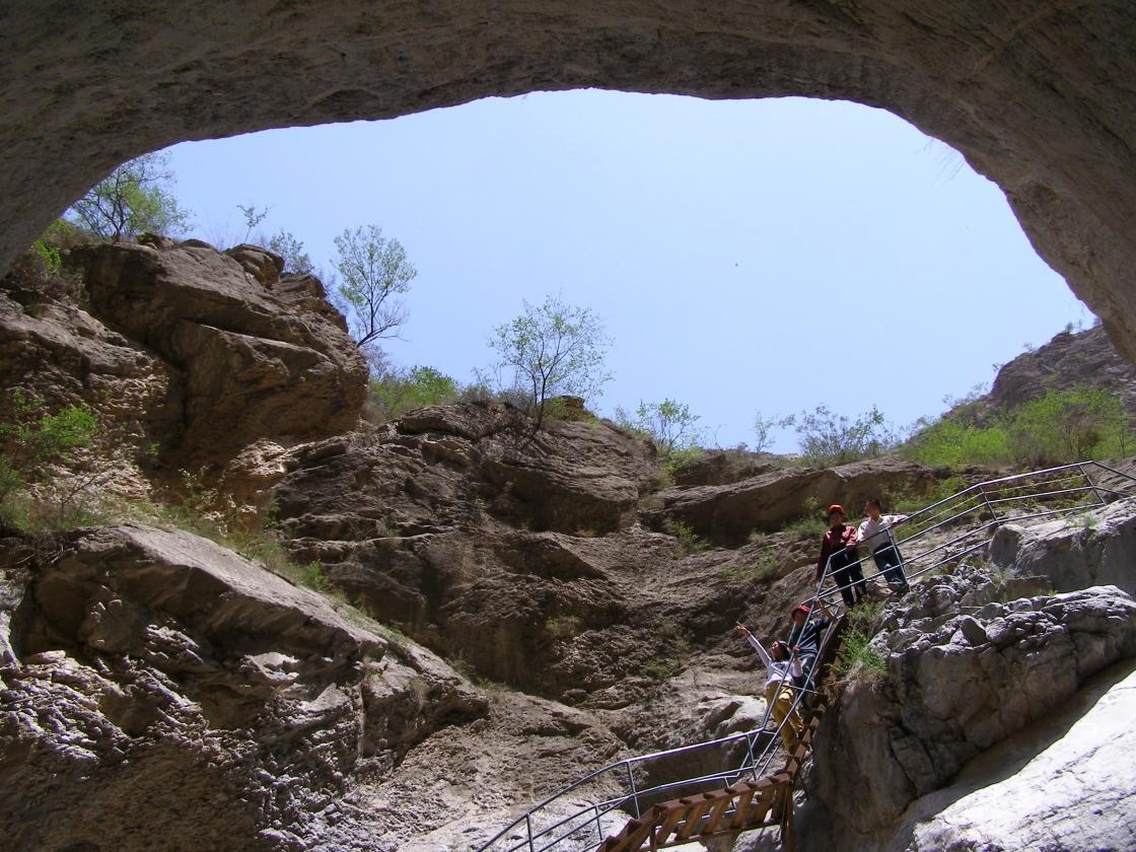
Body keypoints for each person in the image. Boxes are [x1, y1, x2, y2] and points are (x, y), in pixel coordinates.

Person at [735, 623, 805, 754]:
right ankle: (791, 745)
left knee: (783, 701)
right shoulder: (770, 663)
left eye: (775, 645)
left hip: (785, 684)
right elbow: (759, 649)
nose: (772, 647)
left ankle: (800, 726)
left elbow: (798, 674)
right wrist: (748, 635)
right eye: (772, 645)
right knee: (779, 718)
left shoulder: (788, 662)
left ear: (783, 648)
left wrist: (795, 658)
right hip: (770, 690)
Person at [858, 498, 910, 595]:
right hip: (877, 552)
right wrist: (860, 539)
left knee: (898, 567)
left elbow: (905, 518)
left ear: (877, 508)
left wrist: (896, 521)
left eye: (871, 508)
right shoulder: (864, 525)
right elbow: (860, 535)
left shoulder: (887, 519)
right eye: (868, 509)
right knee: (886, 568)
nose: (869, 510)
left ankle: (905, 590)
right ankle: (897, 585)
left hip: (890, 547)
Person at [816, 503, 865, 607]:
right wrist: (819, 575)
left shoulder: (850, 529)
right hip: (837, 561)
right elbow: (824, 555)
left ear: (841, 517)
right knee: (843, 585)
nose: (835, 519)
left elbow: (853, 538)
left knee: (858, 578)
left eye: (837, 517)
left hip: (850, 555)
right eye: (833, 517)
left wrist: (851, 543)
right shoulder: (827, 535)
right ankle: (850, 608)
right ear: (830, 519)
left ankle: (864, 600)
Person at [786, 600, 836, 688]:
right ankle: (803, 698)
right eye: (796, 615)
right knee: (794, 678)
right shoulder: (794, 635)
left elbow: (832, 620)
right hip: (797, 657)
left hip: (809, 653)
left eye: (800, 614)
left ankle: (811, 692)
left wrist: (823, 608)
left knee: (804, 668)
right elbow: (789, 648)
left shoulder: (812, 625)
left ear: (806, 616)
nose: (798, 616)